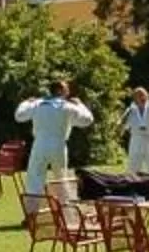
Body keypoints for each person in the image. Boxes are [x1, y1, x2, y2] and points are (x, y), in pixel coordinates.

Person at [16, 79, 94, 214]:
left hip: (40, 144)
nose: (68, 92)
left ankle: (31, 213)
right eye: (66, 89)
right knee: (61, 178)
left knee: (35, 177)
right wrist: (80, 105)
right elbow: (87, 120)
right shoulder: (68, 106)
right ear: (59, 91)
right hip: (58, 144)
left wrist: (26, 102)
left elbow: (19, 116)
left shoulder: (37, 104)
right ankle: (66, 212)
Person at [118, 85, 149, 179]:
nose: (141, 98)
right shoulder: (130, 111)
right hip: (136, 141)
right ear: (135, 99)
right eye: (138, 96)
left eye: (143, 95)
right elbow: (122, 126)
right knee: (133, 170)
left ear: (147, 96)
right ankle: (132, 189)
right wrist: (120, 128)